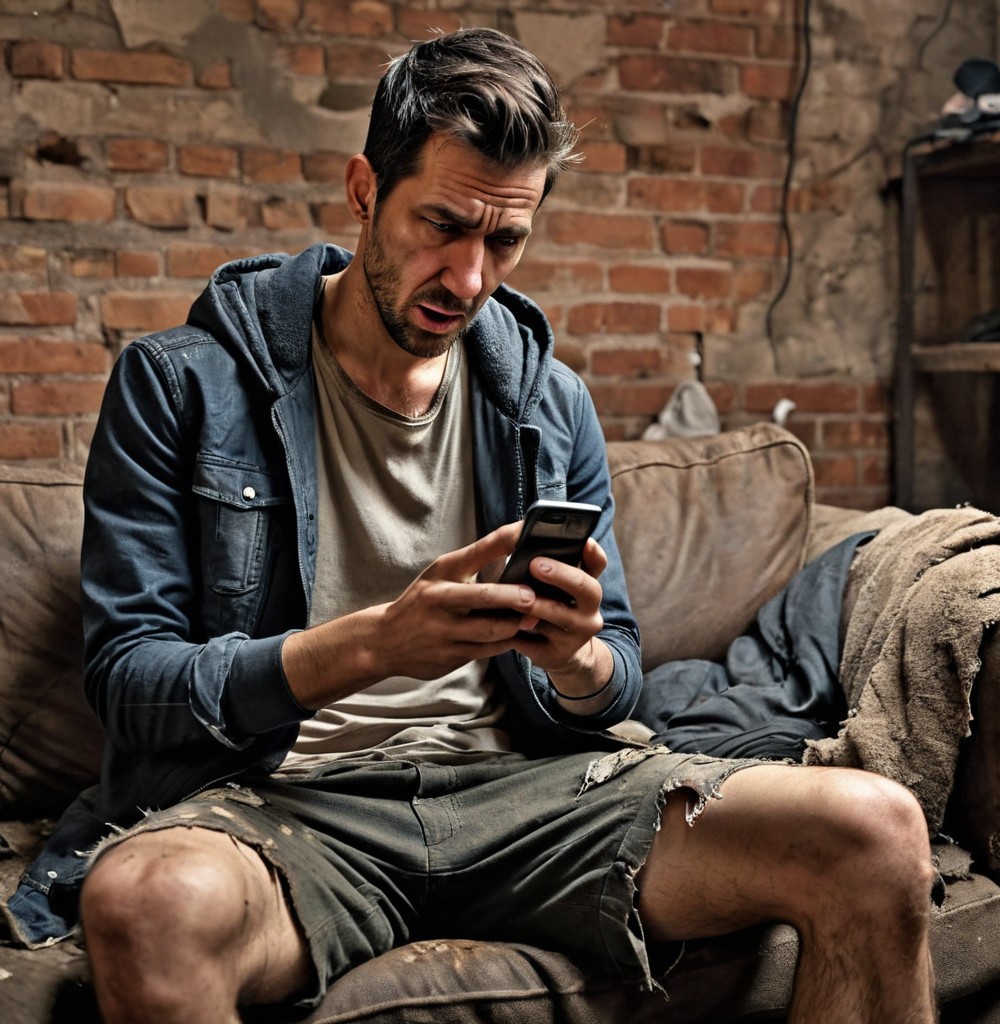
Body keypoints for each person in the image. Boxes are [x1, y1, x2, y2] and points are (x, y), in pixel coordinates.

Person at [6, 27, 936, 1024]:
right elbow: (133, 684)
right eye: (440, 225)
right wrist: (374, 643)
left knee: (874, 829)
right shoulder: (182, 385)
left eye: (504, 239)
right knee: (144, 900)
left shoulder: (547, 398)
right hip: (286, 809)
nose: (468, 278)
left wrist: (578, 661)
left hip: (527, 794)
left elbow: (615, 664)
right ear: (364, 190)